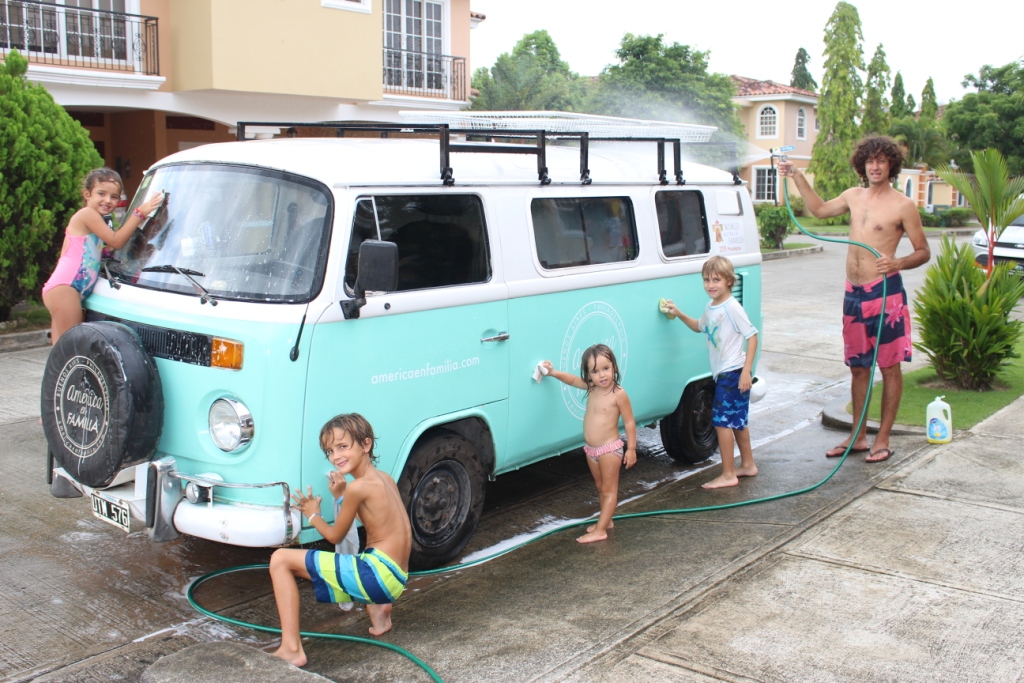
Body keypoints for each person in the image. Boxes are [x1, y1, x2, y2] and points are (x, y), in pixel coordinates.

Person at [779, 136, 930, 463]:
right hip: (854, 293)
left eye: (881, 161)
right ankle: (858, 437)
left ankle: (882, 439)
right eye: (870, 161)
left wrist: (898, 263)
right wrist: (796, 175)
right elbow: (819, 210)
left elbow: (923, 251)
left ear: (891, 165)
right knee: (859, 369)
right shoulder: (853, 196)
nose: (875, 166)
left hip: (884, 293)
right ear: (863, 165)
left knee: (889, 367)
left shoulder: (903, 205)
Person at [269, 414, 412, 667]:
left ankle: (291, 649)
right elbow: (370, 519)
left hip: (377, 577)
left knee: (280, 560)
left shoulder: (358, 487)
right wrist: (341, 496)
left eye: (343, 446)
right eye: (330, 451)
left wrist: (313, 514)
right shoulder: (385, 479)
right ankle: (380, 612)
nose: (336, 456)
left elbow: (335, 535)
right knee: (362, 557)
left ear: (366, 444)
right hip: (397, 577)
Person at [663, 256, 759, 489]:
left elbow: (753, 337)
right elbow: (699, 326)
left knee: (722, 423)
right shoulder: (711, 306)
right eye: (706, 280)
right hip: (727, 372)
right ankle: (748, 465)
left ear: (729, 281)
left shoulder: (732, 307)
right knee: (737, 421)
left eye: (716, 280)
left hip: (732, 371)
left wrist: (746, 371)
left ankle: (728, 474)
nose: (710, 285)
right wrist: (679, 313)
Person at [41, 168, 164, 344]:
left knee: (61, 351)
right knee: (72, 346)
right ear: (87, 194)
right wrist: (140, 213)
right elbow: (116, 241)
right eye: (101, 194)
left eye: (114, 197)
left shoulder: (98, 222)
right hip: (65, 288)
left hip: (67, 289)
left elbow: (114, 249)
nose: (108, 200)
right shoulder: (87, 214)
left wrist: (149, 225)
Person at [541, 344, 637, 544]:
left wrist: (631, 449)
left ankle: (600, 530)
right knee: (601, 487)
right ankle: (607, 521)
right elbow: (572, 380)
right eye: (595, 371)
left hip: (610, 449)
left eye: (606, 368)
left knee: (609, 490)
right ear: (588, 375)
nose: (602, 375)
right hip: (591, 450)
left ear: (614, 367)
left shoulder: (618, 393)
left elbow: (629, 422)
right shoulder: (592, 387)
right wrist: (553, 373)